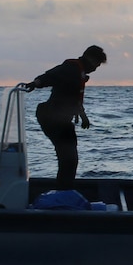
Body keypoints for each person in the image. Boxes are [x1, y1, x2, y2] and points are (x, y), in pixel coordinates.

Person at [25, 45, 107, 190]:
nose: (95, 69)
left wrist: (83, 117)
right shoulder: (71, 68)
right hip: (52, 117)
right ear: (90, 58)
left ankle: (64, 189)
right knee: (69, 159)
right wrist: (35, 83)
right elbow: (51, 76)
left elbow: (75, 99)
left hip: (60, 119)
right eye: (96, 64)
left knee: (69, 159)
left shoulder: (79, 72)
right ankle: (64, 191)